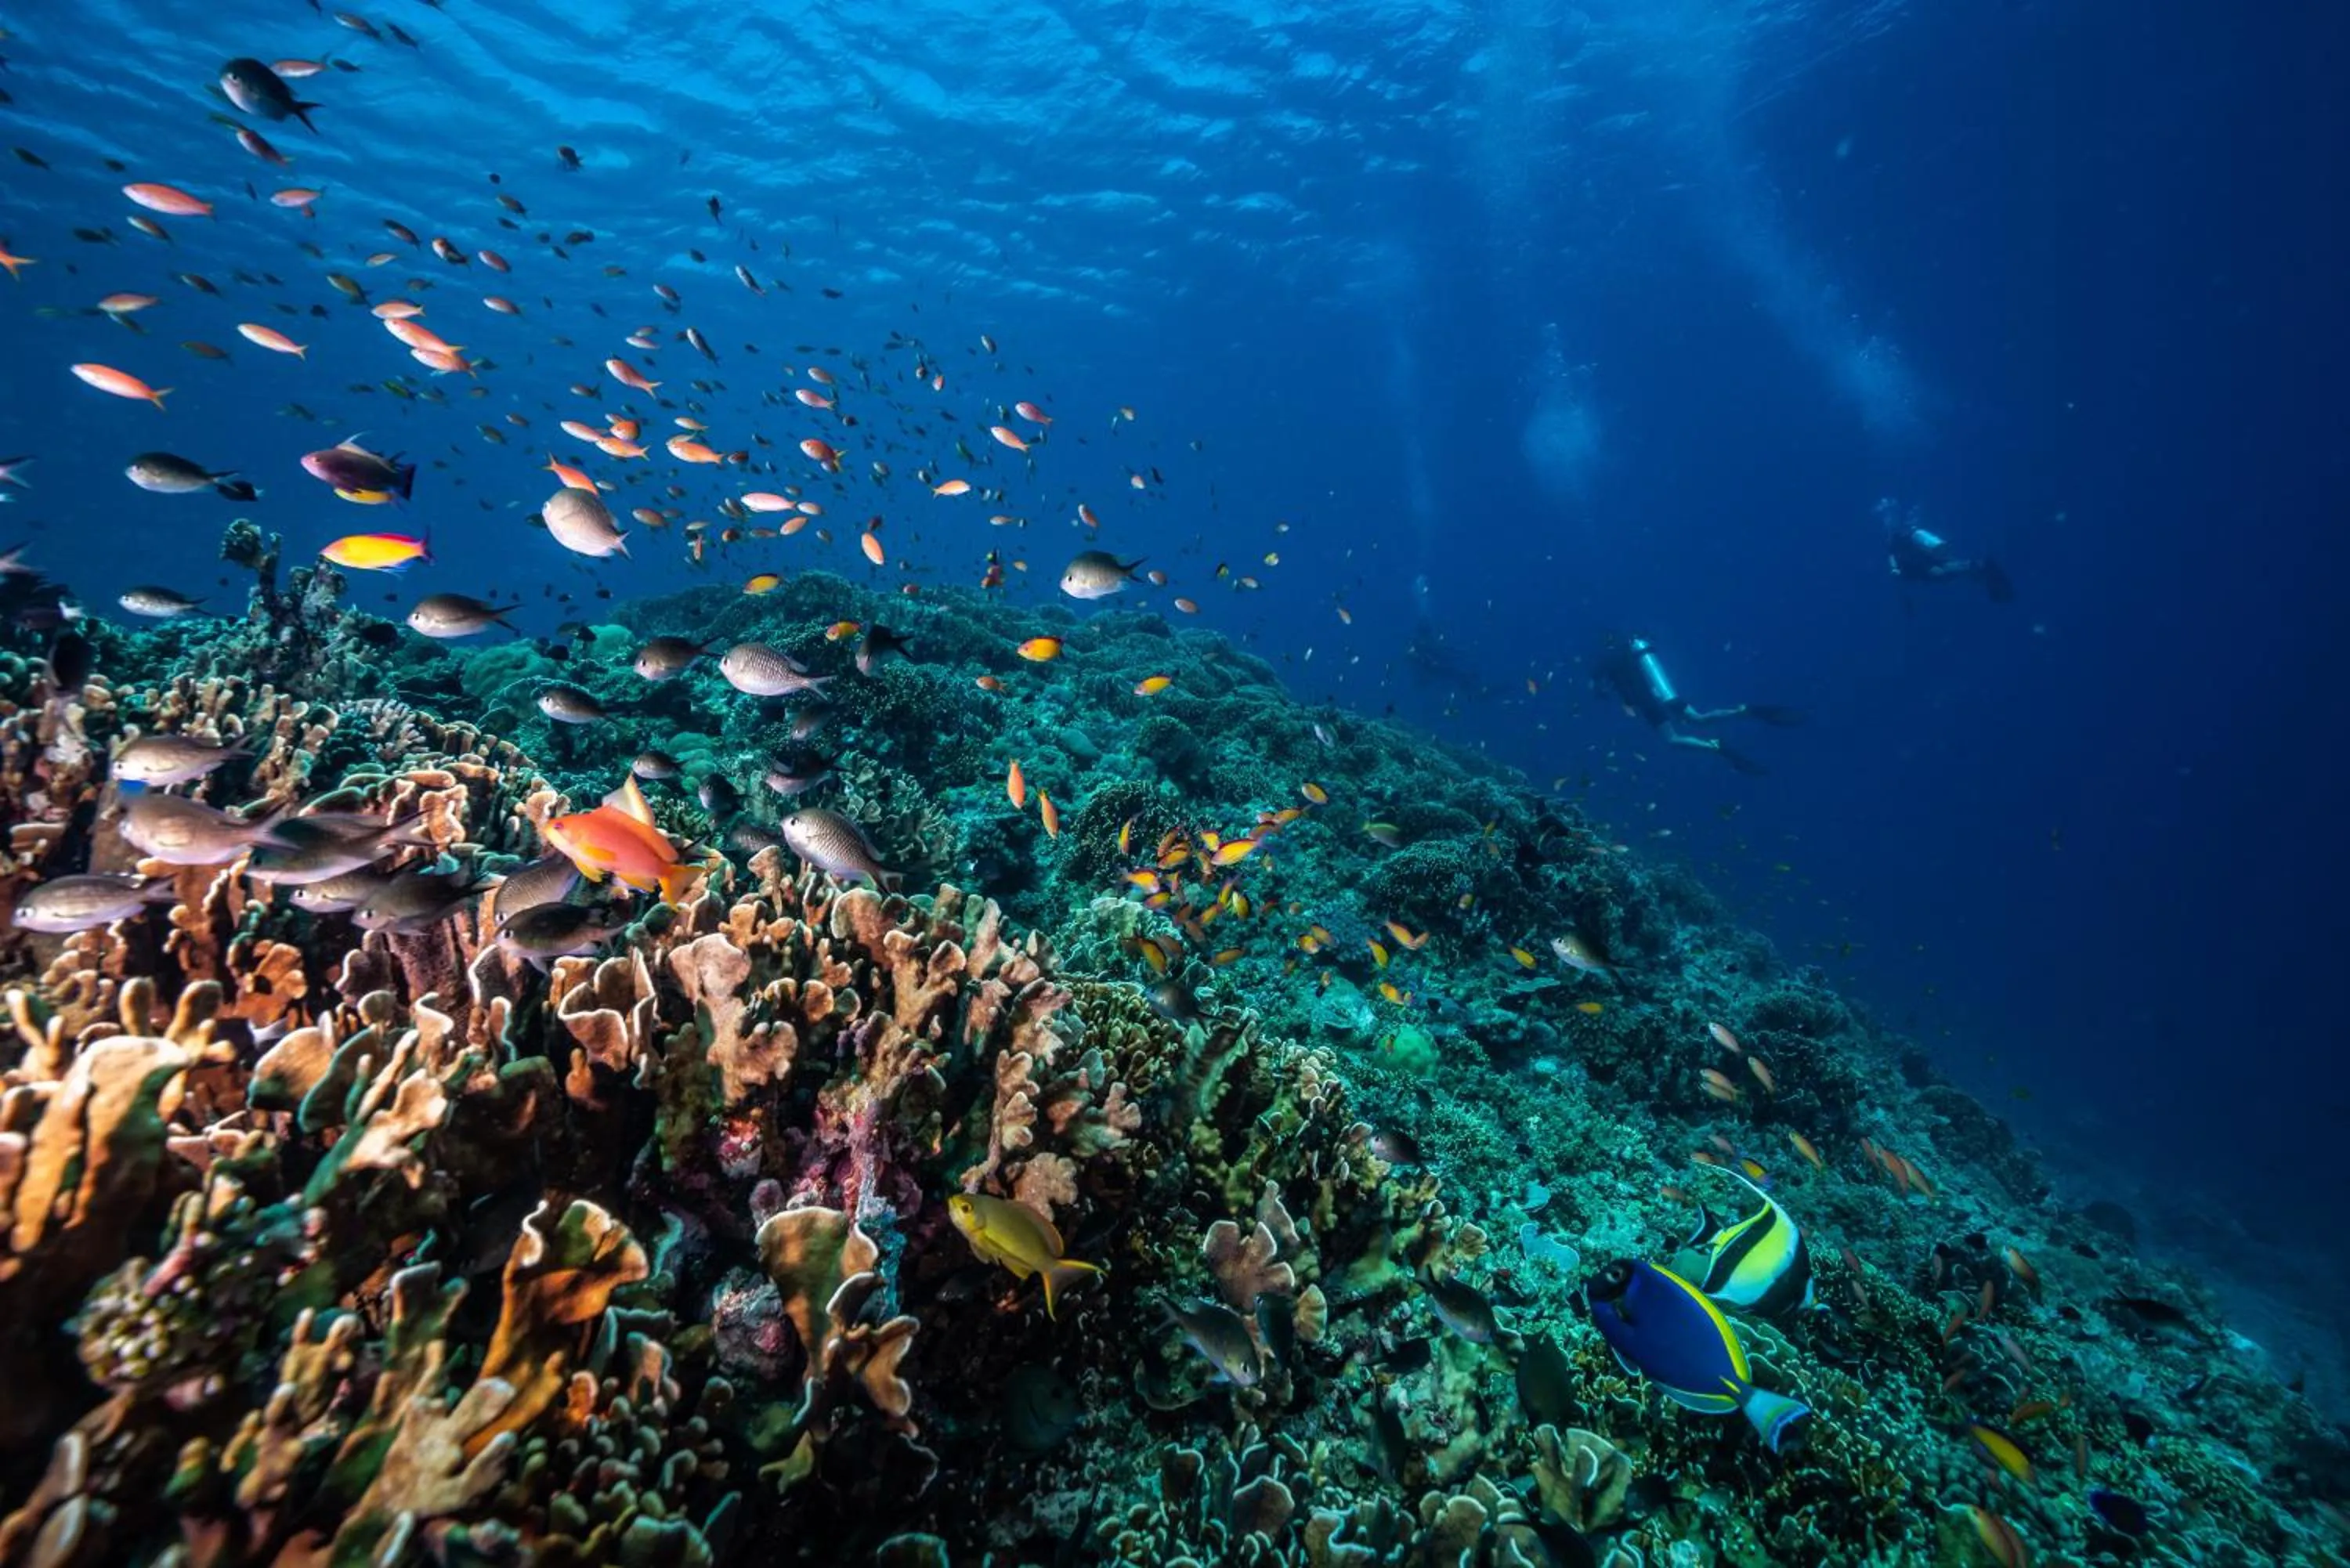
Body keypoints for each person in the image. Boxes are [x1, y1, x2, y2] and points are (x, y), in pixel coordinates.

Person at [1591, 634, 1802, 775]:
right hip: (1665, 693)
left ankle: (1713, 746)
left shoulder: (1606, 660)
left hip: (1648, 703)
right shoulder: (1631, 654)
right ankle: (1743, 711)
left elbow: (1604, 684)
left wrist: (1614, 696)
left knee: (1673, 738)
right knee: (1699, 718)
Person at [1878, 497, 2012, 601]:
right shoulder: (1897, 539)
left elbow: (1895, 557)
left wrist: (1896, 569)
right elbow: (1894, 558)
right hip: (1927, 561)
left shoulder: (1897, 539)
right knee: (1948, 569)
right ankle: (1980, 568)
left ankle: (1981, 567)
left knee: (1943, 573)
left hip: (1925, 565)